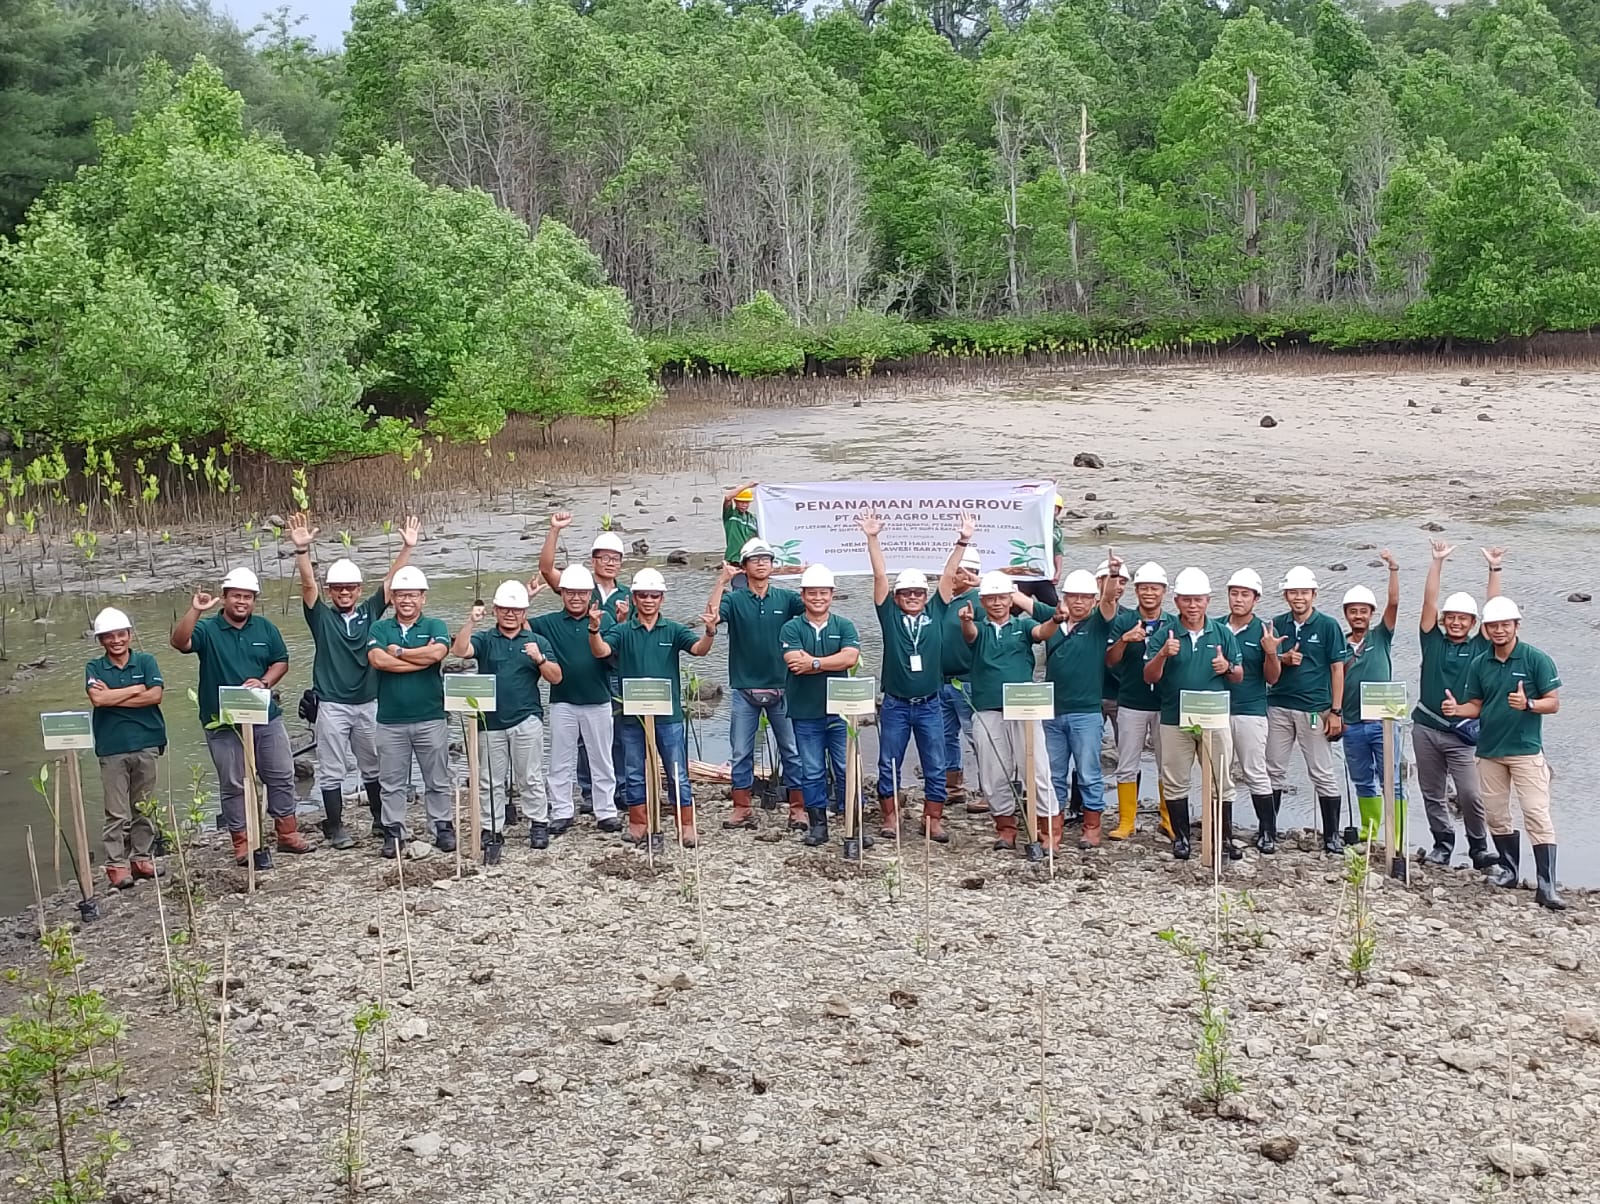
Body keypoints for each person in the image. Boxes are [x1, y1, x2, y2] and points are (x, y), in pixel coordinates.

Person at [288, 512, 419, 849]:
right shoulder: (320, 617)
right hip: (331, 703)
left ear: (359, 589)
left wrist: (407, 548)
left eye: (350, 587)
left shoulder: (368, 613)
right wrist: (302, 551)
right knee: (332, 769)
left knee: (373, 765)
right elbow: (307, 586)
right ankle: (334, 826)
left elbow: (391, 584)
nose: (344, 592)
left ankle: (379, 818)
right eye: (338, 588)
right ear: (330, 591)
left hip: (369, 701)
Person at [171, 568, 307, 865]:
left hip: (265, 716)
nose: (241, 602)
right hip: (222, 721)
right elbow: (180, 643)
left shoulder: (265, 629)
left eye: (247, 597)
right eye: (236, 596)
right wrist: (195, 610)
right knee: (234, 782)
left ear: (254, 600)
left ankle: (287, 832)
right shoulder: (208, 629)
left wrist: (265, 682)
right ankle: (242, 841)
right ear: (225, 598)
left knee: (281, 773)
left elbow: (280, 661)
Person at [1442, 596, 1564, 910]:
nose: (1498, 630)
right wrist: (1458, 710)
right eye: (1493, 625)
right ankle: (1509, 871)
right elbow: (1477, 705)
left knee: (1537, 813)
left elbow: (1553, 702)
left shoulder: (1536, 659)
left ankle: (1546, 884)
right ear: (1485, 628)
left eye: (1504, 625)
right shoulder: (1480, 663)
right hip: (1489, 750)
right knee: (1496, 814)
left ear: (1516, 626)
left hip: (1525, 750)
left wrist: (1529, 704)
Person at [858, 512, 969, 843]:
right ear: (897, 596)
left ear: (925, 595)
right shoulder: (889, 615)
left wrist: (962, 540)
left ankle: (932, 819)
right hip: (894, 704)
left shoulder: (936, 611)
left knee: (935, 763)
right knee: (888, 762)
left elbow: (949, 576)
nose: (913, 597)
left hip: (930, 704)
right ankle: (890, 817)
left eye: (918, 593)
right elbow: (879, 575)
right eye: (906, 593)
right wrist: (872, 538)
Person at [590, 568, 717, 849]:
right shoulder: (621, 630)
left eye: (654, 595)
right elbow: (601, 651)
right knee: (634, 769)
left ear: (662, 599)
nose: (648, 600)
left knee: (676, 771)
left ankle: (686, 825)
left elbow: (699, 650)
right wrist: (594, 629)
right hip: (632, 715)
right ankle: (638, 823)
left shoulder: (672, 629)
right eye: (643, 595)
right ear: (634, 598)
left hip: (669, 716)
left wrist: (710, 631)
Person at [451, 579, 563, 865]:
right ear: (496, 610)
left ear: (524, 612)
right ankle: (492, 829)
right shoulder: (486, 639)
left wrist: (539, 660)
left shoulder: (537, 641)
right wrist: (470, 622)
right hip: (490, 722)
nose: (510, 614)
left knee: (530, 776)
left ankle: (538, 823)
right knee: (490, 780)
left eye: (516, 610)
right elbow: (460, 651)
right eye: (504, 609)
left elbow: (556, 677)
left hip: (526, 718)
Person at [1413, 541, 1504, 869]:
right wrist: (1437, 562)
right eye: (1450, 617)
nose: (1455, 622)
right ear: (1443, 619)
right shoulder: (1432, 640)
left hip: (1462, 732)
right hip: (1425, 727)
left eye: (1463, 619)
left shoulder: (1480, 646)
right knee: (1432, 791)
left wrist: (1493, 569)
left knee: (1470, 794)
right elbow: (1429, 601)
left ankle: (1479, 847)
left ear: (1471, 622)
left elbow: (1494, 610)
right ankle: (1442, 843)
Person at [1143, 569, 1243, 860]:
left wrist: (1226, 667)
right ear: (1176, 601)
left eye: (1198, 600)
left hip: (1214, 717)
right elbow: (1149, 675)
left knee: (1221, 779)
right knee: (1175, 778)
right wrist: (1163, 653)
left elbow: (1239, 675)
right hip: (1175, 717)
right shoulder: (1165, 633)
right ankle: (1181, 839)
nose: (1192, 605)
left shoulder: (1222, 632)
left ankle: (1223, 838)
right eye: (1186, 600)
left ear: (1208, 600)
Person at [707, 538, 805, 831]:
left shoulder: (786, 599)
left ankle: (798, 808)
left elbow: (817, 609)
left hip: (783, 686)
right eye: (755, 559)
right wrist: (721, 581)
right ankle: (742, 807)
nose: (761, 563)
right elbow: (711, 617)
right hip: (745, 688)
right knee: (741, 751)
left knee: (791, 749)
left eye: (767, 559)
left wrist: (808, 573)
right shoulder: (734, 600)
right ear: (744, 567)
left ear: (772, 565)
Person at [962, 571, 1058, 854]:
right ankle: (1006, 828)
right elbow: (970, 635)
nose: (996, 603)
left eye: (1002, 597)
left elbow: (1042, 633)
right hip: (987, 706)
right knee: (993, 773)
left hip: (1025, 706)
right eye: (991, 598)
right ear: (982, 601)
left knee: (1037, 769)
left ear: (1010, 599)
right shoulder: (978, 627)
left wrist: (1055, 619)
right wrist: (966, 621)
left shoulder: (1023, 625)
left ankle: (1047, 829)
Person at [540, 512, 630, 813]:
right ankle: (585, 794)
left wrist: (622, 622)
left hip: (612, 671)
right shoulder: (577, 585)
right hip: (570, 691)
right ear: (594, 560)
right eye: (603, 557)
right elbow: (546, 569)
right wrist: (554, 530)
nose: (609, 563)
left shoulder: (627, 595)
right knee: (571, 746)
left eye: (615, 558)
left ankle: (616, 795)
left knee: (613, 739)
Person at [1033, 556, 1122, 848]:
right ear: (1065, 598)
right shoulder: (1053, 620)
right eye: (1074, 597)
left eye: (1086, 597)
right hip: (1052, 712)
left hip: (1086, 713)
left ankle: (1092, 827)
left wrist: (1113, 573)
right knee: (1054, 773)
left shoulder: (1098, 624)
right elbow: (1022, 601)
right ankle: (1053, 829)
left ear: (1093, 600)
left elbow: (1110, 600)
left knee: (1089, 772)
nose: (1080, 602)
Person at [530, 565, 623, 839]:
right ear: (562, 594)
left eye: (581, 593)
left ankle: (606, 811)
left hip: (598, 699)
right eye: (570, 593)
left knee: (602, 759)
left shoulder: (604, 621)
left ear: (589, 595)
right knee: (559, 759)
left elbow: (614, 652)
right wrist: (528, 596)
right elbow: (517, 624)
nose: (576, 598)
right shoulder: (548, 622)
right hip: (563, 701)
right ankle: (561, 811)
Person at [366, 567, 453, 858]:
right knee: (391, 781)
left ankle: (441, 825)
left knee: (437, 778)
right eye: (401, 595)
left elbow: (438, 654)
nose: (406, 600)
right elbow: (378, 660)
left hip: (430, 716)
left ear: (422, 598)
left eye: (412, 595)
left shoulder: (436, 625)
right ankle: (394, 832)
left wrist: (400, 653)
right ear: (392, 598)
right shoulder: (380, 629)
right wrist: (420, 659)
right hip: (390, 720)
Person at [1265, 566, 1349, 854]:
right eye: (1293, 593)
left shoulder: (1328, 626)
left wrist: (1336, 711)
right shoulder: (1276, 625)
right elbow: (1269, 667)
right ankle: (1268, 831)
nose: (1298, 597)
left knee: (1322, 771)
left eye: (1303, 592)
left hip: (1314, 709)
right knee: (1273, 769)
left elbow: (1338, 669)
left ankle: (1331, 836)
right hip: (1278, 705)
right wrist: (1282, 658)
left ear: (1313, 594)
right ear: (1286, 595)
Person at [779, 565, 862, 853]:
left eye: (823, 593)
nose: (817, 597)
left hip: (840, 711)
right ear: (802, 595)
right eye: (812, 593)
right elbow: (793, 662)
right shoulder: (791, 627)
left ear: (831, 595)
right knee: (812, 770)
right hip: (805, 711)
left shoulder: (844, 626)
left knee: (845, 767)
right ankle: (818, 825)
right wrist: (831, 661)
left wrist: (814, 662)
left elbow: (850, 658)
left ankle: (854, 823)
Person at [85, 607, 166, 888]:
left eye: (121, 634)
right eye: (109, 636)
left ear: (130, 635)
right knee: (116, 812)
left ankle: (142, 858)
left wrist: (112, 696)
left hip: (147, 742)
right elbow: (98, 701)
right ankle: (116, 865)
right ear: (101, 640)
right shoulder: (94, 667)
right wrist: (134, 690)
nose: (116, 640)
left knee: (143, 806)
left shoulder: (146, 661)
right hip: (112, 747)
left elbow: (155, 696)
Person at [1339, 551, 1403, 854]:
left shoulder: (1381, 636)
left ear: (1371, 613)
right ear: (1346, 614)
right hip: (1351, 724)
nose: (1358, 616)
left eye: (1363, 611)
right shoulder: (1338, 643)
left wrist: (1393, 568)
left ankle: (1396, 835)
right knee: (1363, 780)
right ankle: (1370, 829)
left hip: (1384, 721)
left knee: (1392, 780)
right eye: (1353, 611)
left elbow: (1394, 604)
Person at [1104, 562, 1171, 840]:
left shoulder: (1173, 623)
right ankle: (1126, 821)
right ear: (1136, 590)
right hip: (1130, 702)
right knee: (1127, 763)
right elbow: (1109, 660)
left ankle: (1168, 819)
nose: (1149, 593)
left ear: (1164, 591)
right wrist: (1124, 640)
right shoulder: (1123, 620)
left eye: (1154, 588)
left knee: (1167, 764)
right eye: (1144, 588)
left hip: (1164, 704)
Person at [1223, 569, 1283, 852]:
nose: (1238, 599)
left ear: (1255, 599)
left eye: (1244, 594)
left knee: (1255, 771)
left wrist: (1270, 652)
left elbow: (1272, 678)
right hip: (1218, 710)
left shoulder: (1264, 631)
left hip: (1251, 710)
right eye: (1234, 593)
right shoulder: (1217, 626)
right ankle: (1223, 832)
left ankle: (1267, 832)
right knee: (1221, 773)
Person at [939, 545, 984, 811]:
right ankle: (952, 787)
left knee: (976, 735)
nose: (947, 577)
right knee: (945, 736)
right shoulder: (946, 601)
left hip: (968, 680)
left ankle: (989, 789)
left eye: (952, 572)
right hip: (942, 680)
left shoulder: (981, 600)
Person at [722, 482, 760, 585]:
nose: (744, 505)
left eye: (747, 502)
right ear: (736, 501)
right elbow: (728, 497)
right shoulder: (730, 515)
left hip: (751, 561)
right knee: (740, 590)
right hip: (736, 561)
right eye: (741, 502)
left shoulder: (753, 519)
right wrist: (748, 485)